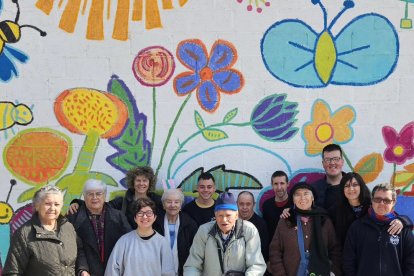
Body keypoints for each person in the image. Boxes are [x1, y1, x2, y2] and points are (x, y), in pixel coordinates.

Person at [3, 185, 80, 276]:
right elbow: (12, 272)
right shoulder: (24, 234)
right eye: (47, 204)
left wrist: (83, 269)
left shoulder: (68, 227)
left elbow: (81, 251)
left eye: (57, 204)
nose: (52, 208)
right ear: (37, 206)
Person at [184, 192, 266, 275]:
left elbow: (256, 265)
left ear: (236, 215)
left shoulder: (249, 230)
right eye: (220, 215)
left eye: (228, 215)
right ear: (215, 216)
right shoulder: (204, 231)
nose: (224, 220)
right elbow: (192, 265)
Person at [269, 182, 341, 276]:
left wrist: (333, 271)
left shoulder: (324, 220)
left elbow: (335, 249)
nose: (302, 198)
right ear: (293, 200)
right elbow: (275, 251)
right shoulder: (286, 221)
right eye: (297, 194)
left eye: (306, 193)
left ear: (313, 198)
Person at [343, 183, 414, 276]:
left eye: (387, 200)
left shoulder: (402, 229)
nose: (381, 203)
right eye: (377, 199)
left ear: (394, 202)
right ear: (372, 200)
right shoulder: (357, 227)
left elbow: (411, 261)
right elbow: (348, 261)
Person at [67, 179, 131, 276]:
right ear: (84, 196)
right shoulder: (72, 217)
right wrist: (81, 270)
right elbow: (71, 249)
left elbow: (129, 242)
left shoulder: (118, 216)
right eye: (90, 194)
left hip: (114, 271)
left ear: (105, 195)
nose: (94, 197)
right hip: (85, 272)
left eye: (98, 194)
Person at [68, 166, 162, 228]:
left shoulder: (157, 200)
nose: (141, 184)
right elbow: (100, 205)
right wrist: (77, 202)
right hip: (128, 244)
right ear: (133, 182)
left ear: (150, 183)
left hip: (151, 242)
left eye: (144, 180)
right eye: (138, 180)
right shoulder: (121, 202)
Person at [105, 198, 175, 276]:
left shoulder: (162, 243)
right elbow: (112, 270)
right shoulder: (124, 241)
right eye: (140, 213)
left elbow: (168, 272)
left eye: (149, 213)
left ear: (155, 217)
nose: (144, 217)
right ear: (135, 218)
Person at [335, 172, 406, 247]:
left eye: (355, 185)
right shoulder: (337, 209)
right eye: (346, 186)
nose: (351, 189)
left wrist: (402, 221)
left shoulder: (372, 204)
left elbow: (389, 215)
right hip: (348, 252)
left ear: (361, 186)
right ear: (342, 189)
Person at [154, 188, 198, 276]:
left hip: (182, 272)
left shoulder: (190, 224)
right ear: (163, 205)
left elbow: (195, 252)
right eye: (169, 202)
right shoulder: (155, 223)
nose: (173, 205)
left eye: (177, 202)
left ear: (181, 205)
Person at [237, 191, 269, 262]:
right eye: (241, 204)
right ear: (237, 204)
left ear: (253, 205)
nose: (244, 207)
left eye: (248, 204)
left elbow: (263, 251)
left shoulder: (261, 224)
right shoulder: (231, 222)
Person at [313, 144, 346, 211]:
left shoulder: (354, 186)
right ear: (323, 163)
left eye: (336, 159)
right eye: (328, 159)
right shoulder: (314, 189)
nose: (332, 163)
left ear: (342, 162)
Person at [262, 171, 289, 240]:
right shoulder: (267, 205)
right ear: (272, 185)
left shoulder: (294, 203)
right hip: (274, 247)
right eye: (276, 184)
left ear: (287, 184)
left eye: (282, 183)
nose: (279, 187)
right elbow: (266, 231)